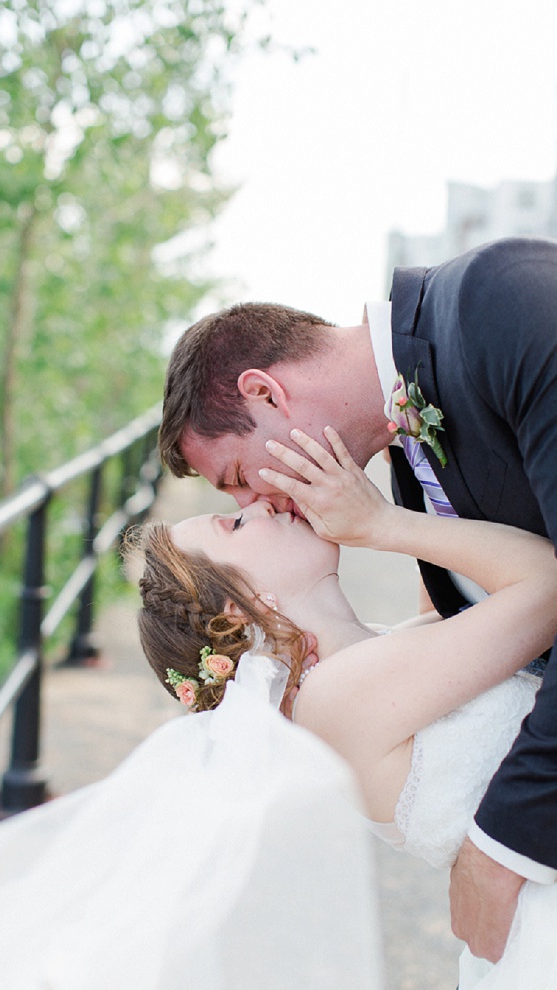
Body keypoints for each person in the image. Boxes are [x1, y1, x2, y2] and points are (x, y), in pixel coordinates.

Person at [157, 235, 557, 961]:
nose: (263, 503)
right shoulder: (405, 480)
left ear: (264, 393)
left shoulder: (504, 302)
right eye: (237, 508)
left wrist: (503, 844)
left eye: (241, 480)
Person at [139, 428, 557, 988]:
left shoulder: (353, 670)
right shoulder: (336, 700)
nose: (259, 505)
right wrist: (384, 526)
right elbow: (548, 588)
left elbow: (459, 600)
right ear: (242, 608)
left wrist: (399, 447)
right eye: (234, 525)